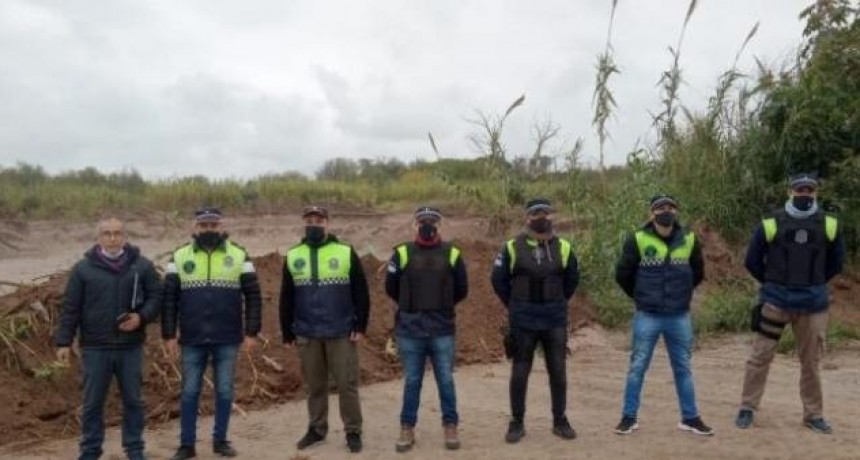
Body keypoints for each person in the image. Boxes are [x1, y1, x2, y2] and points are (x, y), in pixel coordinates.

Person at [735, 173, 845, 434]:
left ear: (815, 193)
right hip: (776, 303)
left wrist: (815, 284)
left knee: (811, 363)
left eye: (809, 190)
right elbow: (752, 260)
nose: (804, 194)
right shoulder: (771, 222)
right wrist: (772, 283)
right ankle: (747, 408)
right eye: (800, 190)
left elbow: (836, 263)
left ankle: (813, 415)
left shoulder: (830, 224)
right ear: (790, 192)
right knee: (760, 357)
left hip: (813, 305)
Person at [54, 217, 161, 460]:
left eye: (117, 233)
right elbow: (71, 308)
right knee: (93, 403)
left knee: (133, 401)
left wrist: (141, 317)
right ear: (98, 237)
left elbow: (156, 298)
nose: (112, 238)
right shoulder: (83, 269)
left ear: (125, 236)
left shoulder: (142, 266)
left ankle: (135, 449)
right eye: (107, 233)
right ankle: (90, 451)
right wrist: (63, 342)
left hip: (130, 346)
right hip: (95, 347)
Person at [162, 207, 262, 460]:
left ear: (221, 226)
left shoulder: (239, 255)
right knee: (189, 392)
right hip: (192, 338)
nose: (209, 230)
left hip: (227, 337)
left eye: (213, 225)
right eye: (204, 225)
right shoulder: (179, 256)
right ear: (195, 227)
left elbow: (253, 296)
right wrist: (169, 335)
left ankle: (221, 441)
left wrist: (252, 332)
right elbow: (169, 299)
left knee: (225, 391)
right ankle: (187, 445)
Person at [613, 194, 712, 436]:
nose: (665, 211)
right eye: (659, 208)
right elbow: (623, 274)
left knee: (683, 368)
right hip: (648, 315)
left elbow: (697, 273)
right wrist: (641, 296)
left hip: (679, 316)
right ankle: (628, 418)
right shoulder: (637, 239)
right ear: (651, 213)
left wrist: (681, 294)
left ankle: (690, 418)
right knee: (637, 367)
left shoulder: (689, 239)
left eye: (669, 207)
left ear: (676, 211)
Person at [279, 205, 371, 453]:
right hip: (307, 332)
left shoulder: (345, 252)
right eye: (309, 220)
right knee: (315, 386)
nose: (314, 225)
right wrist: (287, 331)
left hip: (341, 331)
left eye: (319, 221)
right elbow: (286, 296)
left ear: (327, 223)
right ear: (304, 223)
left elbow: (361, 292)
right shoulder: (293, 255)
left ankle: (353, 431)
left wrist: (360, 325)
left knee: (346, 385)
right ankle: (317, 429)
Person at [491, 198, 579, 443]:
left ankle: (560, 421)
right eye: (536, 213)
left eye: (546, 213)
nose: (541, 217)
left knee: (558, 371)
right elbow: (498, 280)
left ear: (552, 216)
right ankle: (516, 422)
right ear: (527, 218)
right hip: (523, 319)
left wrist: (557, 300)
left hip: (554, 319)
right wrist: (514, 304)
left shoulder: (564, 247)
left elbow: (572, 280)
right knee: (520, 371)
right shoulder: (511, 247)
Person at [385, 206, 469, 452]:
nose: (427, 225)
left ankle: (450, 426)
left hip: (442, 329)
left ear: (439, 225)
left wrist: (441, 305)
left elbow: (462, 289)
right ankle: (407, 428)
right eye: (423, 221)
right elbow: (391, 287)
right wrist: (411, 307)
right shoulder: (402, 253)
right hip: (410, 330)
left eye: (432, 221)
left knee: (446, 380)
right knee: (412, 381)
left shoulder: (452, 253)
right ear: (415, 225)